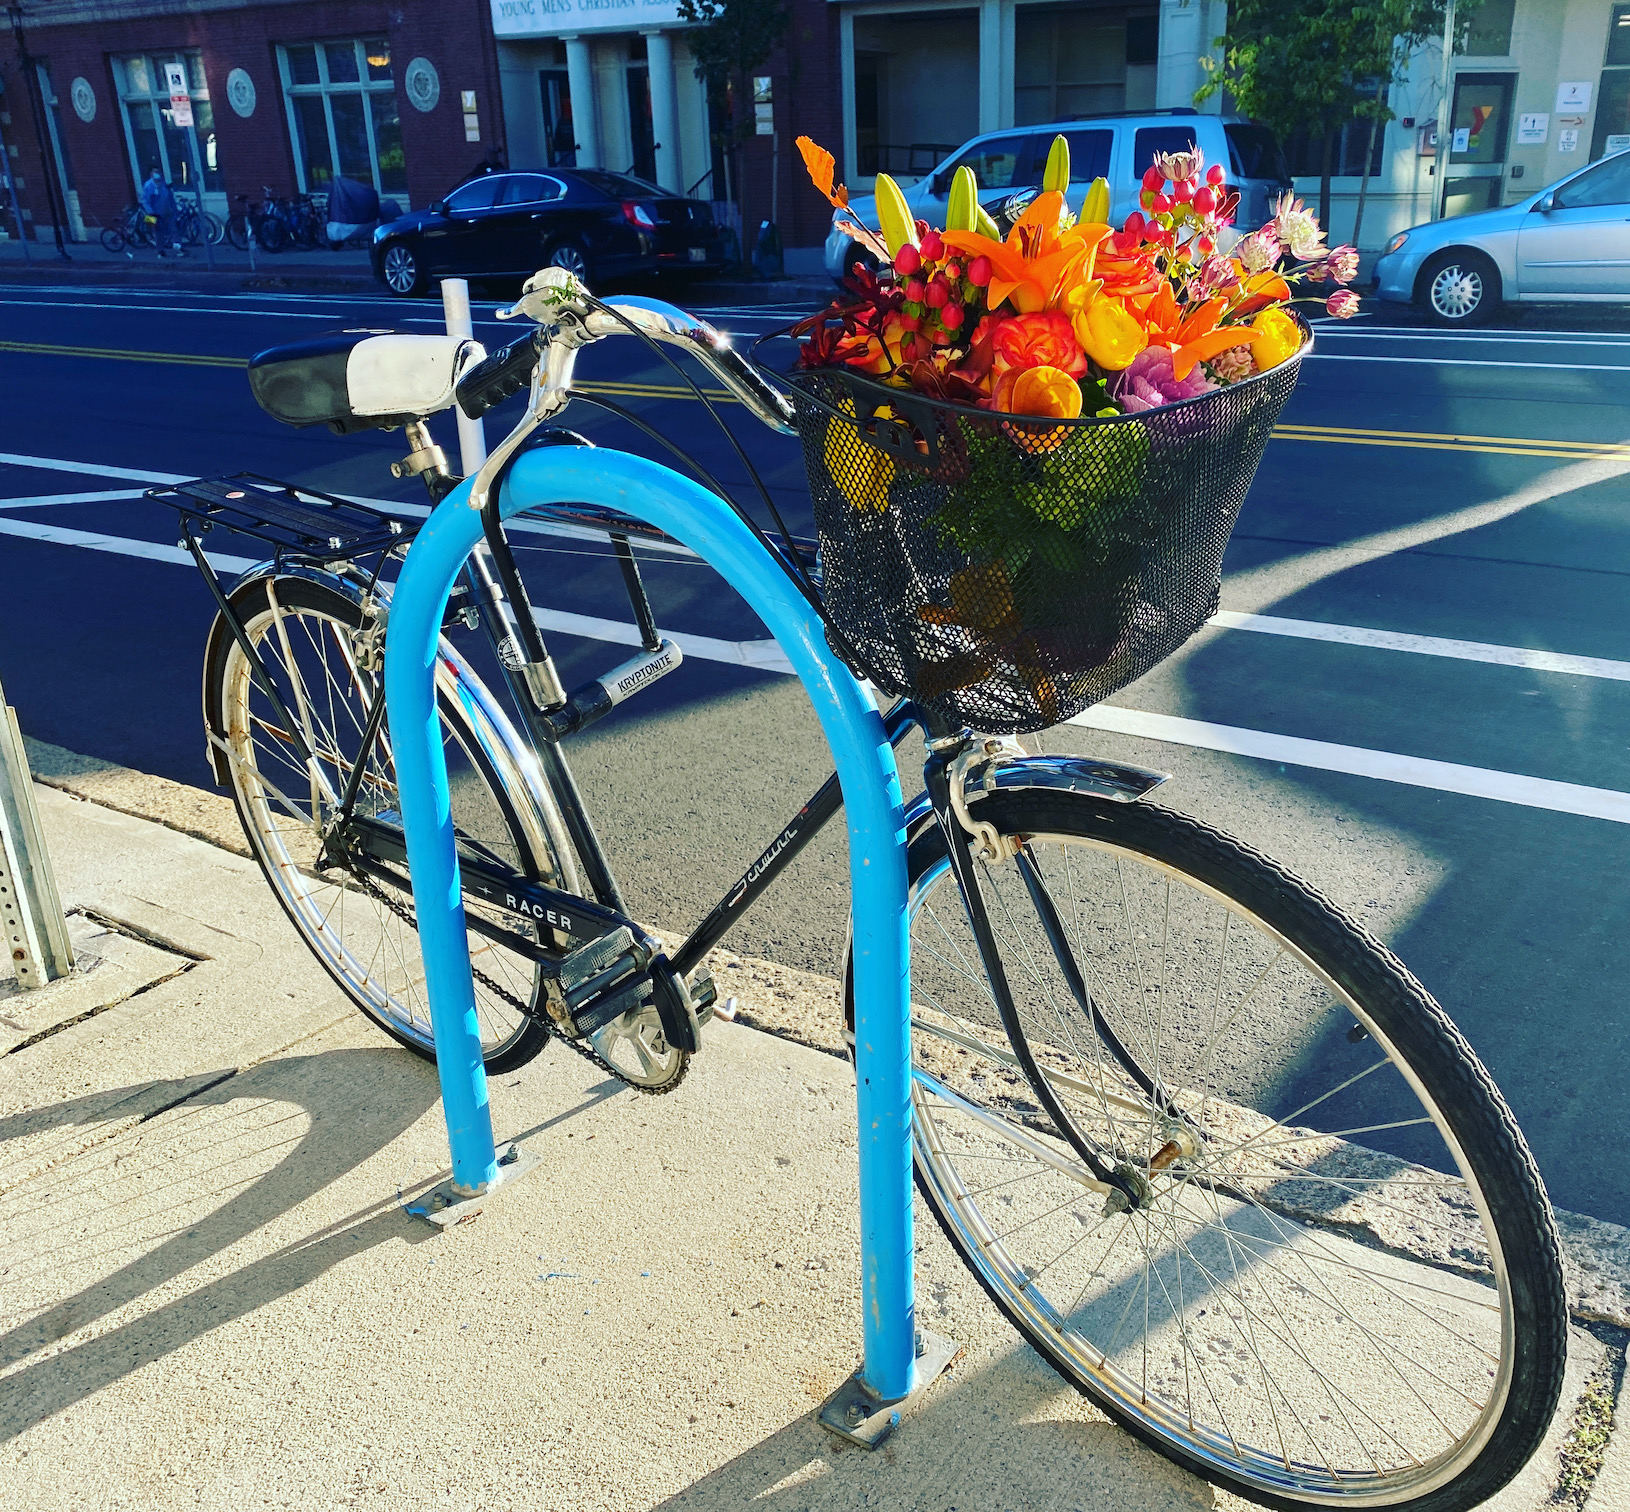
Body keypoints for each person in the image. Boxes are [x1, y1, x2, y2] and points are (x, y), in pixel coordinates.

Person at [139, 167, 183, 257]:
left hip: (167, 212)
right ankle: (160, 251)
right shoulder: (148, 186)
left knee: (174, 230)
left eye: (158, 172)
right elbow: (145, 200)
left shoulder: (163, 184)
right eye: (155, 172)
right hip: (153, 214)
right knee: (158, 233)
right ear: (151, 174)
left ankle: (178, 249)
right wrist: (151, 212)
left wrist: (175, 210)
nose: (157, 174)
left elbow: (170, 198)